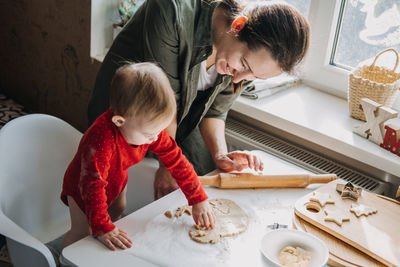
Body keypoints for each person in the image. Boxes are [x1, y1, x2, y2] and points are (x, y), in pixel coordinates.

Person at [88, 0, 310, 200]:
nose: (240, 77)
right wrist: (169, 164)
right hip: (130, 116)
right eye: (244, 64)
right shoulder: (171, 10)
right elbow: (166, 102)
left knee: (205, 178)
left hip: (180, 119)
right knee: (118, 194)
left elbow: (215, 112)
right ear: (238, 25)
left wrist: (221, 154)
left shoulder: (238, 62)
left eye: (254, 76)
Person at [61, 62, 215, 251]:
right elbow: (92, 185)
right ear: (119, 121)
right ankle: (63, 257)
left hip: (116, 178)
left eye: (159, 130)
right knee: (83, 233)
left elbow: (177, 160)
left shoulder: (150, 130)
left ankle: (108, 237)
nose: (156, 138)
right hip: (83, 188)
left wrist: (197, 198)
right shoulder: (100, 140)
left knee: (118, 211)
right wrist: (101, 227)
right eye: (150, 133)